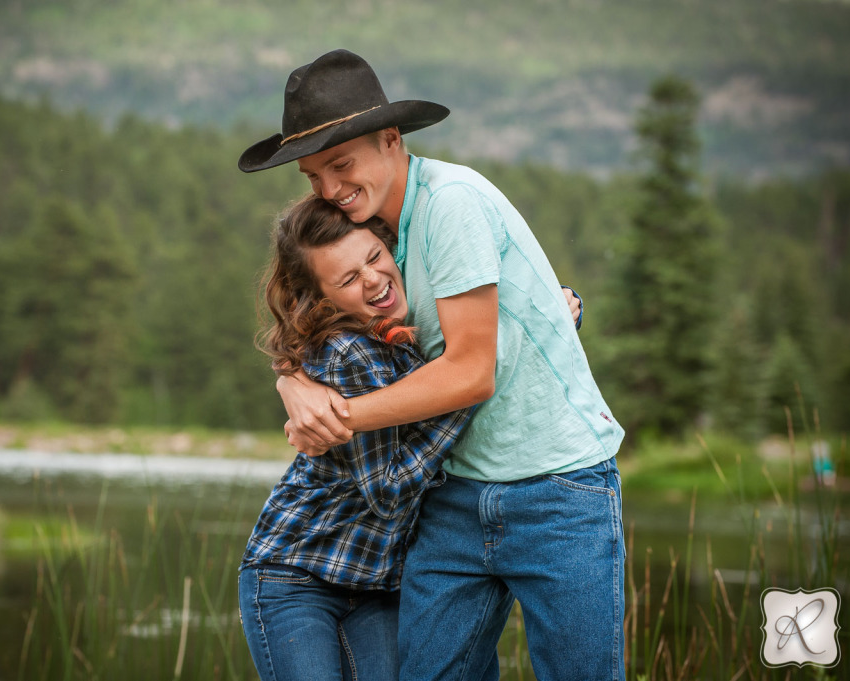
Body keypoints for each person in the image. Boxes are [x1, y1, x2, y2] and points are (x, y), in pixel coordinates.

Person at [239, 49, 625, 680]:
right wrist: (295, 379)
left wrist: (336, 416)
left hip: (555, 489)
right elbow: (326, 318)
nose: (329, 189)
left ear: (391, 140)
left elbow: (471, 373)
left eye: (341, 164)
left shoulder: (450, 203)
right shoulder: (379, 231)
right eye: (313, 176)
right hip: (452, 497)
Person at [238, 194, 473, 681]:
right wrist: (466, 390)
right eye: (347, 279)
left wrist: (557, 304)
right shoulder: (351, 352)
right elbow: (386, 492)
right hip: (296, 575)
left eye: (375, 258)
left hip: (376, 582)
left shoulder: (399, 333)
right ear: (322, 298)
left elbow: (483, 312)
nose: (372, 279)